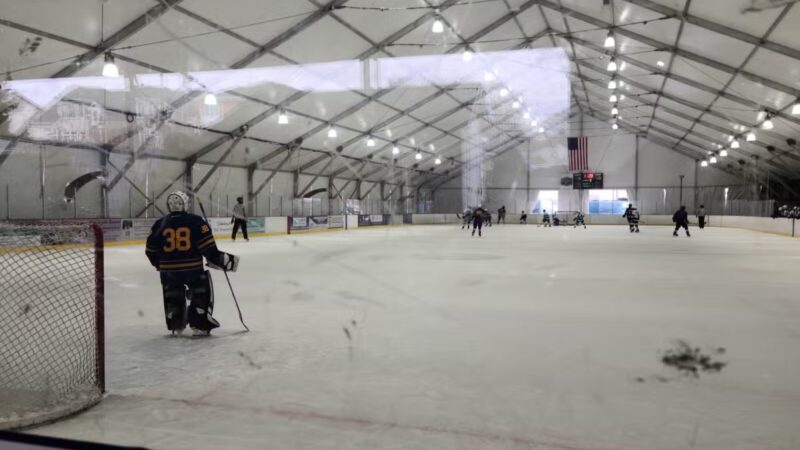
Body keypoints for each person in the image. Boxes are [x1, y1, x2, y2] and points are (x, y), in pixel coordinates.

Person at [146, 191, 240, 336]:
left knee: (173, 294)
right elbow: (209, 249)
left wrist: (160, 266)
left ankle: (176, 324)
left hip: (168, 272)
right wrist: (225, 262)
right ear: (185, 204)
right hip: (192, 270)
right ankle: (199, 323)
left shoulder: (159, 224)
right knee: (201, 291)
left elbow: (150, 251)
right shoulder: (195, 221)